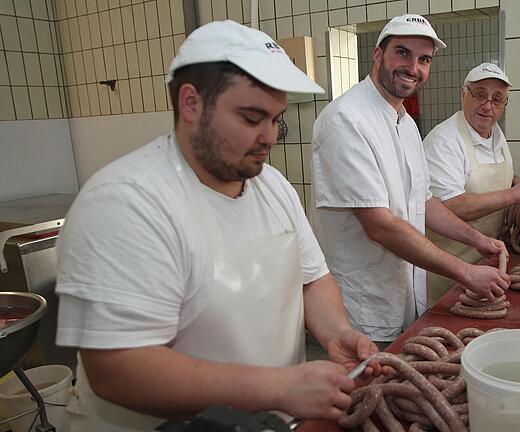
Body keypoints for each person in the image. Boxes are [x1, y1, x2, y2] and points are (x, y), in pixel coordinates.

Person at [54, 20, 378, 431]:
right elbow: (116, 369)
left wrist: (335, 334)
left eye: (275, 119)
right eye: (250, 117)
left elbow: (312, 280)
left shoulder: (272, 186)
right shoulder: (125, 202)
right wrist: (277, 387)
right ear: (191, 104)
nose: (268, 137)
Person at [311, 15, 511, 344]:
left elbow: (425, 201)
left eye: (424, 59)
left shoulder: (405, 122)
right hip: (363, 309)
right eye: (402, 53)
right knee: (368, 392)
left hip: (406, 297)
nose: (413, 67)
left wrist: (477, 240)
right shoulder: (346, 120)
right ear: (378, 55)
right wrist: (464, 271)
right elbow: (380, 225)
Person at [423, 62, 520, 303]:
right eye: (480, 95)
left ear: (504, 105)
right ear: (463, 94)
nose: (488, 106)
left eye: (497, 99)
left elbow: (496, 176)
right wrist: (513, 195)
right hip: (449, 269)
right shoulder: (444, 141)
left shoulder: (496, 135)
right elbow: (450, 206)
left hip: (488, 260)